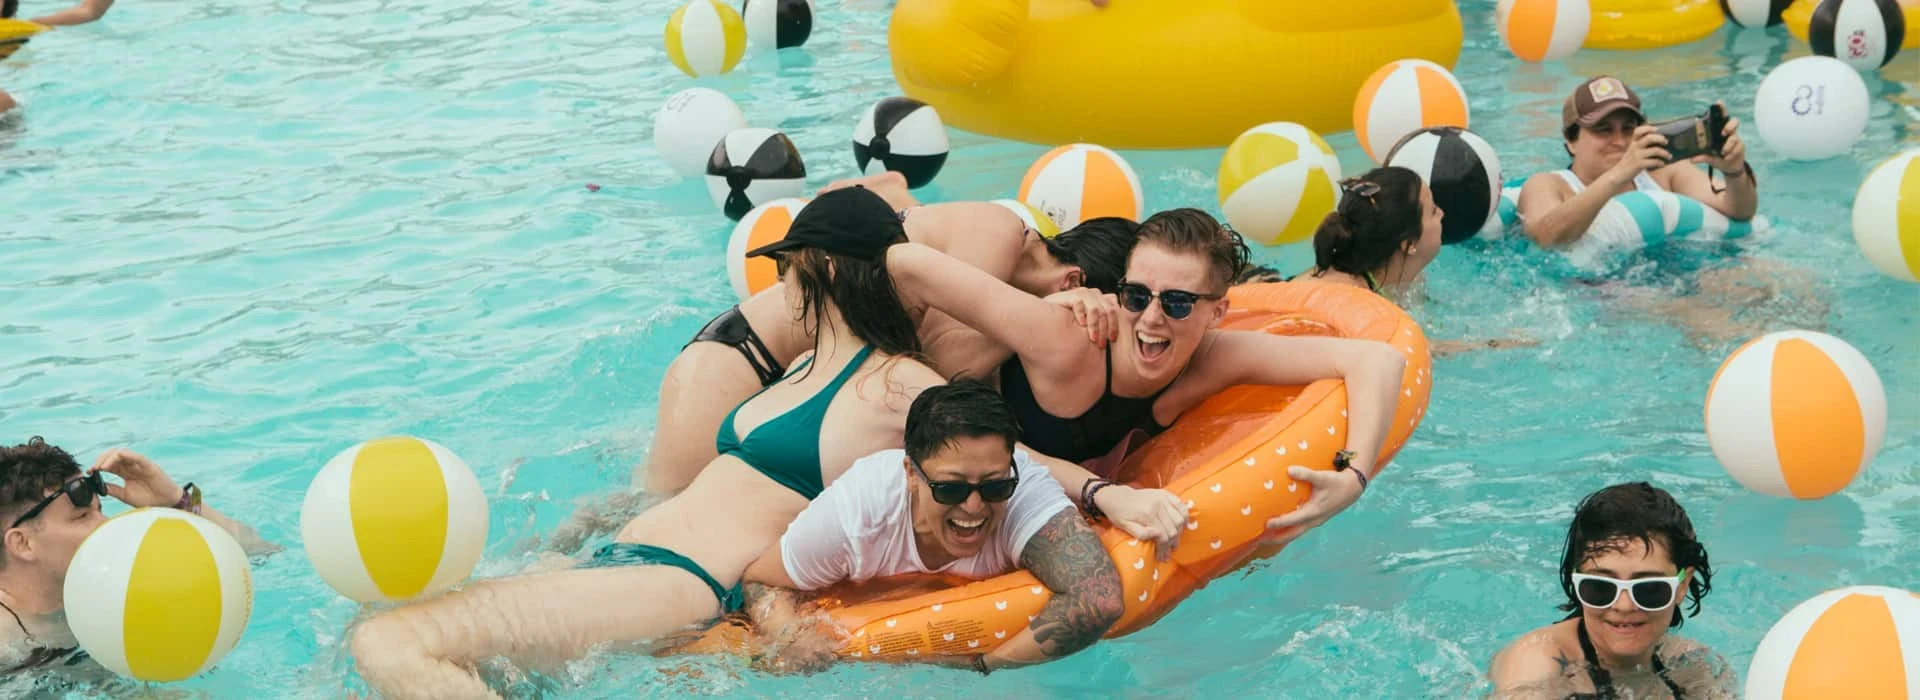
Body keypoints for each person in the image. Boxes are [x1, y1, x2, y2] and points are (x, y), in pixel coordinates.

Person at [347, 188, 1121, 699]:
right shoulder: (801, 367)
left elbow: (1003, 457)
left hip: (684, 584)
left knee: (393, 644)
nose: (780, 285)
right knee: (380, 638)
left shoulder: (898, 384)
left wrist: (1103, 492)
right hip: (627, 557)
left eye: (787, 268)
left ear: (821, 268)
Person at [884, 207, 1408, 546]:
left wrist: (1353, 477)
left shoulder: (1215, 356)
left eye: (1177, 303)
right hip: (916, 445)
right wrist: (1101, 493)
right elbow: (904, 263)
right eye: (1137, 296)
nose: (1151, 318)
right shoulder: (1067, 336)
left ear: (1218, 312)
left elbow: (1376, 360)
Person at [637, 171, 1139, 498]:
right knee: (657, 511)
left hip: (782, 371)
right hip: (738, 359)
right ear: (1074, 282)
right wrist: (1043, 317)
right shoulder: (998, 232)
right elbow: (936, 366)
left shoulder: (978, 236)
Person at [740, 379, 1120, 674]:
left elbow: (1099, 600)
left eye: (994, 487)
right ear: (911, 474)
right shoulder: (858, 513)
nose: (974, 506)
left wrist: (983, 666)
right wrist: (790, 636)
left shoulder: (1026, 491)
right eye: (951, 488)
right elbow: (761, 580)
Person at [0, 438, 267, 675]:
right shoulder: (6, 646)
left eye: (100, 510)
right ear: (23, 543)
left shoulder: (117, 580)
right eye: (81, 517)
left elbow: (258, 552)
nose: (105, 523)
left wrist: (176, 501)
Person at [1488, 482, 1736, 699]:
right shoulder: (1537, 661)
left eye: (1649, 589)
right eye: (1601, 587)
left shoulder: (1690, 667)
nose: (1624, 606)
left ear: (1681, 586)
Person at [1516, 75, 1756, 249]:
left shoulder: (1664, 173)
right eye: (1603, 130)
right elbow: (1545, 239)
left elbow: (1740, 211)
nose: (1619, 141)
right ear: (1571, 141)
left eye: (1628, 128)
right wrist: (1619, 173)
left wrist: (1734, 172)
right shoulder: (1548, 185)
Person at [1296, 167, 1443, 296]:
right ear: (1409, 243)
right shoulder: (1344, 296)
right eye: (1433, 211)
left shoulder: (1410, 280)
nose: (1441, 213)